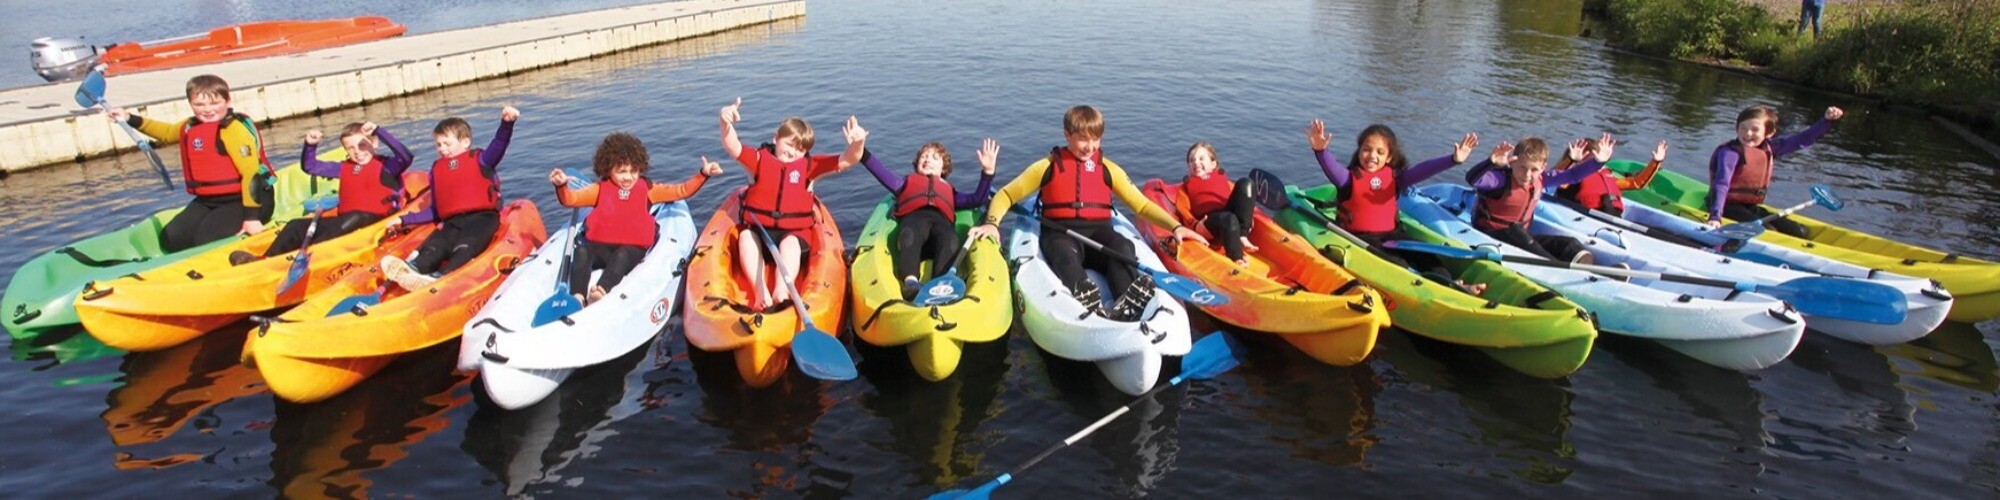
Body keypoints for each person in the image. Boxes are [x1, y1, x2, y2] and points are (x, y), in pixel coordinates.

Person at [968, 106, 1206, 321]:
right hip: (1060, 232)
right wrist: (992, 223)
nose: (1090, 147)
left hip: (1099, 232)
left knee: (1122, 248)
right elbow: (1007, 195)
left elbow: (1141, 206)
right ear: (1067, 135)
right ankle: (1085, 293)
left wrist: (1176, 227)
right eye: (1082, 139)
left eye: (1095, 140)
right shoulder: (1048, 166)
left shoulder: (1107, 168)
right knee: (1064, 255)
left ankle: (1127, 300)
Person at [717, 98, 868, 310]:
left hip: (793, 235)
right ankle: (760, 290)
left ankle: (781, 289)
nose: (792, 153)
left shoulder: (809, 167)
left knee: (790, 244)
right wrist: (725, 123)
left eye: (800, 150)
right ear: (776, 138)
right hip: (760, 231)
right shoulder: (759, 161)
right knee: (745, 237)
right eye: (788, 145)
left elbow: (848, 159)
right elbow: (733, 147)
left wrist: (858, 142)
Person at [106, 74, 274, 252]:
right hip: (209, 200)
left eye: (214, 103)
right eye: (199, 105)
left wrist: (251, 218)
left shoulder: (233, 130)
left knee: (205, 241)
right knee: (172, 239)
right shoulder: (191, 126)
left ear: (227, 101)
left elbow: (251, 174)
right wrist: (128, 117)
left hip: (249, 202)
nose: (208, 110)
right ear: (190, 104)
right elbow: (166, 132)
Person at [1307, 120, 1481, 291]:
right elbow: (1333, 169)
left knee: (1427, 256)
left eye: (1380, 152)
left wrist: (1453, 160)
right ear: (1359, 151)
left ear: (1389, 157)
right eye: (1367, 149)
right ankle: (1431, 287)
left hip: (1391, 235)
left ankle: (1453, 285)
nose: (1372, 156)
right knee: (1398, 264)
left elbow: (1422, 170)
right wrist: (1321, 151)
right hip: (1360, 237)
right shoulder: (1347, 179)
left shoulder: (1395, 178)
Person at [550, 133, 722, 305]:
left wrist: (703, 174)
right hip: (601, 247)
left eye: (633, 171)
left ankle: (601, 290)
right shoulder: (598, 189)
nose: (628, 177)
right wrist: (561, 185)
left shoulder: (648, 189)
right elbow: (570, 200)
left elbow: (681, 191)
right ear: (608, 170)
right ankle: (578, 296)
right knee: (581, 252)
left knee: (622, 256)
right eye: (621, 171)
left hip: (631, 250)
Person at [231, 122, 414, 264]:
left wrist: (378, 130)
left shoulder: (387, 166)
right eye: (350, 148)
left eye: (362, 145)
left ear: (374, 142)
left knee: (355, 217)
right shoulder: (344, 168)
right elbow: (310, 166)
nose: (357, 152)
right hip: (344, 223)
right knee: (295, 226)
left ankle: (312, 256)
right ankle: (265, 261)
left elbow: (406, 156)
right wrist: (310, 146)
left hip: (373, 223)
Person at [381, 106, 520, 290]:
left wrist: (507, 124)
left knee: (465, 245)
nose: (442, 149)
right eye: (438, 145)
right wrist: (403, 219)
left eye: (447, 143)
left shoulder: (481, 159)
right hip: (452, 222)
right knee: (436, 245)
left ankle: (444, 275)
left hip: (482, 218)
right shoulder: (437, 169)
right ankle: (415, 268)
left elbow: (499, 144)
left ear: (465, 142)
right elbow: (436, 211)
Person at [859, 135, 998, 298]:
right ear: (917, 164)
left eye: (934, 158)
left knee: (950, 239)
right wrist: (861, 149)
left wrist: (988, 172)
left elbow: (977, 199)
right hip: (915, 222)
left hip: (940, 226)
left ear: (944, 168)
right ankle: (911, 282)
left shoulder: (950, 192)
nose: (927, 160)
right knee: (910, 234)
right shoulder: (905, 184)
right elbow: (880, 171)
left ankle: (941, 285)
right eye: (924, 156)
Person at [1466, 135, 1615, 263]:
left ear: (1543, 167)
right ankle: (1558, 268)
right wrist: (1490, 162)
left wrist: (1597, 162)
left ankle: (1600, 273)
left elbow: (1572, 176)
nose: (1527, 175)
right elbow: (1472, 179)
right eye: (1522, 168)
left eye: (1534, 169)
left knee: (1569, 244)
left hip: (1521, 236)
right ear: (1513, 162)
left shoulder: (1542, 179)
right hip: (1490, 232)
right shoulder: (1500, 180)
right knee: (1518, 234)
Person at [1704, 105, 1843, 238]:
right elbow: (1721, 184)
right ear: (1736, 128)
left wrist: (1826, 121)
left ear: (1769, 133)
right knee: (1768, 231)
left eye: (1755, 129)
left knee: (1799, 231)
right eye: (1743, 128)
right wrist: (1715, 217)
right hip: (1726, 206)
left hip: (1750, 206)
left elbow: (1802, 139)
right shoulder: (1730, 153)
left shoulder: (1771, 147)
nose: (1747, 133)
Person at [1176, 142, 1260, 265]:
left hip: (1228, 217)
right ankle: (1237, 258)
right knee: (1229, 218)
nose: (1196, 162)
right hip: (1207, 224)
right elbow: (1183, 210)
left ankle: (1242, 236)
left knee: (1246, 183)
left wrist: (1248, 215)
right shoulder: (1184, 189)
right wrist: (1195, 225)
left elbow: (1242, 200)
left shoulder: (1225, 183)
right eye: (1191, 160)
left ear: (1213, 164)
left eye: (1201, 158)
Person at [1551, 137, 1667, 216]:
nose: (1600, 163)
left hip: (1612, 217)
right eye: (1595, 159)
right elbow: (1556, 180)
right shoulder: (1572, 177)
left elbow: (1636, 183)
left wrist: (1656, 161)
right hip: (1586, 217)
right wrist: (1571, 160)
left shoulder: (1605, 175)